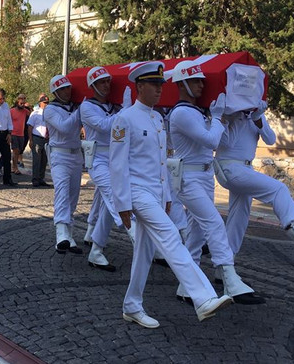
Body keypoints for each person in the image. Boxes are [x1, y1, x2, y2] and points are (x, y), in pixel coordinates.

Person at [110, 61, 232, 328]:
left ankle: (132, 305)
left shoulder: (156, 118)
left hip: (155, 194)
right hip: (137, 193)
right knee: (170, 236)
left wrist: (166, 196)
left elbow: (164, 162)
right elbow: (117, 165)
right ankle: (203, 298)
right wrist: (122, 203)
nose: (159, 90)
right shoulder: (125, 119)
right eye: (154, 85)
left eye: (160, 85)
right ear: (140, 86)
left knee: (143, 252)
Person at [167, 60, 264, 305]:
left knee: (197, 233)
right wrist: (219, 118)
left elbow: (220, 141)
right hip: (188, 177)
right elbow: (211, 141)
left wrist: (225, 118)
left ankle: (186, 286)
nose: (201, 85)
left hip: (204, 175)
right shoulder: (180, 113)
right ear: (182, 84)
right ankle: (229, 278)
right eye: (195, 81)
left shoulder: (198, 112)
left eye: (202, 81)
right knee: (213, 223)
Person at [215, 102, 294, 263]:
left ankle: (225, 266)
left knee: (239, 217)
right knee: (278, 189)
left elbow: (270, 139)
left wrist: (258, 120)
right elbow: (224, 143)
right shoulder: (229, 113)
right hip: (229, 167)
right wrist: (228, 117)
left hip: (245, 168)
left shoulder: (255, 115)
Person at [81, 66, 136, 272]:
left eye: (108, 81)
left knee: (106, 208)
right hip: (98, 160)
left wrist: (124, 109)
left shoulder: (114, 106)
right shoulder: (87, 107)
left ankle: (96, 251)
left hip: (117, 158)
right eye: (102, 82)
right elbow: (104, 126)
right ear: (93, 86)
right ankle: (137, 237)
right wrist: (125, 110)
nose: (106, 85)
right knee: (117, 197)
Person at [43, 75, 84, 254]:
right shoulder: (50, 110)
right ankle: (61, 234)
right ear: (55, 92)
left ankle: (69, 235)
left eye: (68, 88)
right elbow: (66, 127)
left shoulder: (75, 107)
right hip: (59, 155)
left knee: (73, 197)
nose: (67, 92)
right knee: (61, 191)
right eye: (62, 89)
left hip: (76, 154)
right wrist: (82, 110)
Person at [27, 94, 50, 188]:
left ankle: (41, 178)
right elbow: (30, 127)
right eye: (45, 103)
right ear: (40, 103)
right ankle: (35, 179)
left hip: (46, 139)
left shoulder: (50, 113)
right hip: (37, 137)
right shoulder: (35, 113)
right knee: (37, 159)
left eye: (48, 103)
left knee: (44, 160)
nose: (47, 104)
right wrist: (30, 140)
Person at [10, 93, 31, 175]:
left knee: (18, 152)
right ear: (17, 101)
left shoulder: (25, 111)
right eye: (20, 100)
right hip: (13, 133)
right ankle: (15, 168)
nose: (22, 102)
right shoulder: (11, 111)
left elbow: (32, 115)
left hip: (21, 134)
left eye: (24, 100)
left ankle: (13, 166)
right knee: (16, 151)